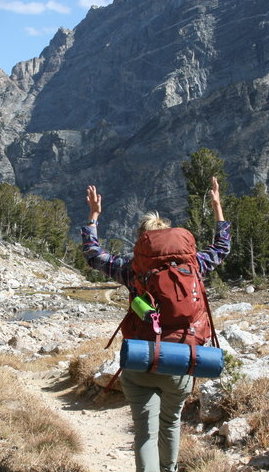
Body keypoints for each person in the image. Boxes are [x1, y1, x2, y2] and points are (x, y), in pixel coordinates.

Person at [81, 177, 230, 472]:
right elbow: (222, 246)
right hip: (184, 359)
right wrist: (217, 208)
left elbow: (93, 254)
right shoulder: (195, 265)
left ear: (142, 241)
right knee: (171, 424)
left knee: (145, 433)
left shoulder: (131, 269)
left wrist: (94, 216)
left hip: (141, 360)